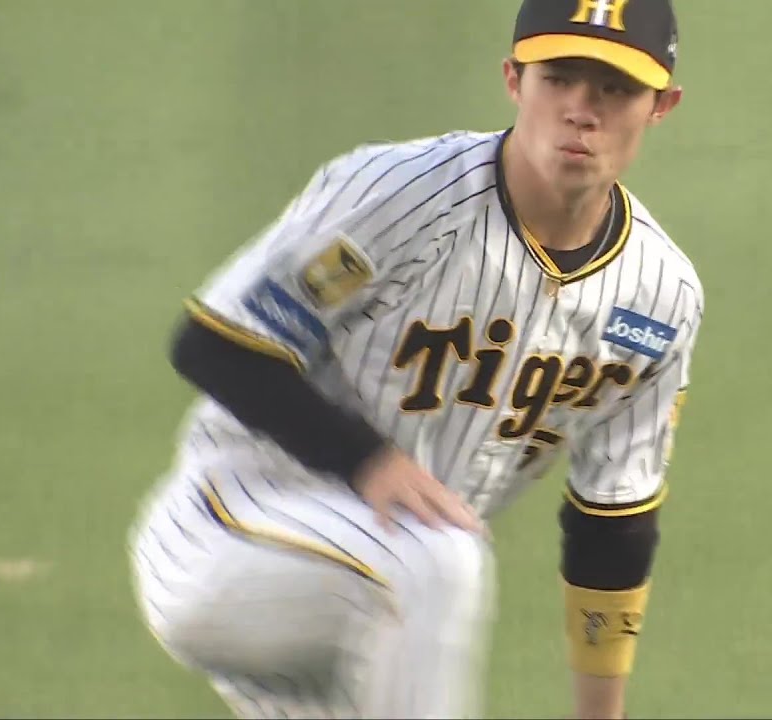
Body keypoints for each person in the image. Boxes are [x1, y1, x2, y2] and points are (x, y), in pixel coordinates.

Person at [127, 0, 702, 717]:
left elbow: (613, 526)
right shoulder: (402, 195)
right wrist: (369, 461)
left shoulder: (660, 296)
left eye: (614, 89)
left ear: (661, 106)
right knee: (439, 557)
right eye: (558, 78)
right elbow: (214, 344)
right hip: (232, 533)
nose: (581, 111)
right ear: (514, 80)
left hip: (377, 611)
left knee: (429, 563)